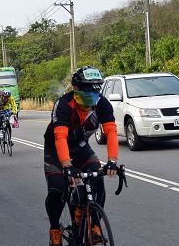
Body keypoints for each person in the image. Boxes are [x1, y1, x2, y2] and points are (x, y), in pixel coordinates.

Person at [44, 66, 119, 246]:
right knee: (57, 190)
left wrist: (112, 161)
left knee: (97, 179)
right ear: (75, 88)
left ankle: (94, 225)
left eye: (96, 88)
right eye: (87, 88)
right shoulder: (63, 105)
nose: (92, 92)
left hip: (80, 147)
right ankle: (55, 228)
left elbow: (111, 132)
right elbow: (60, 137)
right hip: (56, 150)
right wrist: (67, 166)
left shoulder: (102, 104)